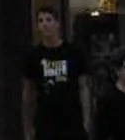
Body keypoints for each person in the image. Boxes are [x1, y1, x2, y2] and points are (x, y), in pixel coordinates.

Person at [20, 8, 88, 140]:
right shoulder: (33, 56)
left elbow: (83, 87)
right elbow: (28, 92)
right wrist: (27, 125)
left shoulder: (74, 52)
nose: (45, 24)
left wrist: (86, 120)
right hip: (45, 121)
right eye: (41, 21)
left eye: (49, 20)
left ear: (57, 23)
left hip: (72, 121)